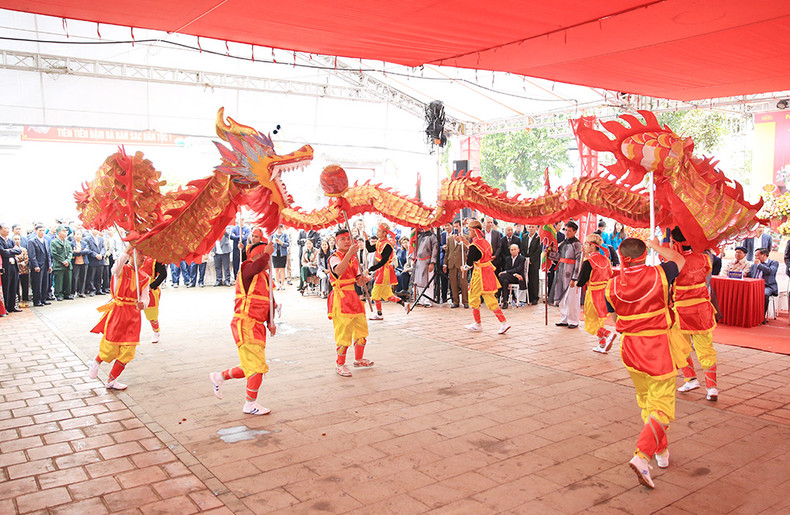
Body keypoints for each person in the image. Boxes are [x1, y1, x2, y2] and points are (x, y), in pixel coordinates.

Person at [605, 237, 688, 489]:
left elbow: (613, 315)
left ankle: (661, 451)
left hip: (630, 348)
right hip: (657, 348)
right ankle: (642, 455)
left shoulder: (612, 285)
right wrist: (657, 247)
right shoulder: (660, 274)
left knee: (647, 402)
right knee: (662, 407)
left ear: (622, 257)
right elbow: (680, 259)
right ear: (644, 254)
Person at [209, 233, 277, 415]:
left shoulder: (267, 278)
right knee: (257, 367)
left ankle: (219, 376)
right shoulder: (247, 269)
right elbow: (257, 265)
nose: (268, 260)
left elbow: (271, 301)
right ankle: (250, 404)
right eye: (264, 255)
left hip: (258, 327)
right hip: (245, 323)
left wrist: (271, 322)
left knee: (249, 365)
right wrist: (266, 254)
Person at [88, 245, 150, 390]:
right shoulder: (121, 270)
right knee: (111, 348)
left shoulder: (145, 277)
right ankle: (96, 362)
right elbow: (114, 269)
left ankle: (111, 380)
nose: (143, 257)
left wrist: (143, 304)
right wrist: (128, 248)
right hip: (118, 312)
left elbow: (145, 297)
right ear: (131, 255)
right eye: (140, 253)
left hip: (134, 316)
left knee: (128, 351)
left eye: (144, 255)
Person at [670, 227, 719, 402]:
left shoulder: (674, 262)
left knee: (678, 345)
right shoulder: (705, 258)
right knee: (705, 349)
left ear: (675, 242)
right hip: (702, 309)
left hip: (683, 311)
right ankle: (712, 388)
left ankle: (690, 378)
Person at [327, 228, 373, 377]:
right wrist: (349, 254)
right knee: (344, 332)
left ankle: (359, 359)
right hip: (340, 299)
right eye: (343, 239)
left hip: (353, 296)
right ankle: (340, 364)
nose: (347, 241)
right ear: (336, 242)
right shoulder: (334, 257)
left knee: (361, 329)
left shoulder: (354, 258)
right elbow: (338, 271)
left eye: (348, 238)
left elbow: (358, 281)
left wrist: (363, 280)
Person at [465, 220, 510, 334]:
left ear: (475, 231)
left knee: (473, 298)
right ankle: (504, 322)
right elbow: (480, 254)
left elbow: (469, 263)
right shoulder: (485, 242)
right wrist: (466, 243)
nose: (469, 232)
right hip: (488, 273)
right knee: (491, 299)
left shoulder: (474, 246)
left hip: (479, 275)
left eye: (470, 230)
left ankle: (478, 324)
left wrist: (463, 268)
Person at [576, 234, 617, 353]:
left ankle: (608, 334)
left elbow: (581, 281)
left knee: (590, 321)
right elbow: (610, 275)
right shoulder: (606, 260)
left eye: (586, 244)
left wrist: (575, 283)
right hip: (604, 293)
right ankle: (602, 344)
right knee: (599, 319)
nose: (584, 246)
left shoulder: (589, 261)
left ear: (592, 246)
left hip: (593, 293)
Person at [365, 222, 409, 319]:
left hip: (384, 271)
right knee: (386, 294)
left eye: (379, 231)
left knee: (376, 293)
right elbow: (370, 249)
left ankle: (379, 314)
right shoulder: (379, 242)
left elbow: (383, 261)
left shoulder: (387, 245)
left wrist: (370, 269)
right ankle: (403, 303)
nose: (377, 232)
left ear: (385, 233)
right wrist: (366, 239)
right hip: (381, 270)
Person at [550, 221, 583, 329]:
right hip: (561, 272)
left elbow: (579, 261)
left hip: (571, 273)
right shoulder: (563, 243)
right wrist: (549, 253)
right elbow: (558, 257)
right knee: (563, 298)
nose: (567, 233)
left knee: (572, 298)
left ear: (575, 231)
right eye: (566, 230)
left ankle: (573, 320)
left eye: (569, 231)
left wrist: (575, 277)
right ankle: (564, 318)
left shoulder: (577, 244)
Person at [746, 248, 779, 323]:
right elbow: (750, 275)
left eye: (757, 256)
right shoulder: (754, 265)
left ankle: (761, 316)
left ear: (764, 255)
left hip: (767, 286)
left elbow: (770, 271)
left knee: (764, 294)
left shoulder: (773, 263)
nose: (756, 258)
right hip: (754, 285)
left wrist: (759, 265)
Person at [140, 256, 167, 343]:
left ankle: (156, 331)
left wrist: (152, 286)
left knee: (151, 312)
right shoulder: (134, 255)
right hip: (135, 287)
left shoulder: (155, 258)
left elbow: (163, 274)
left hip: (149, 288)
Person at [445, 219, 469, 309]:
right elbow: (447, 252)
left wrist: (460, 241)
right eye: (454, 226)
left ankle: (465, 301)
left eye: (457, 227)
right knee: (453, 283)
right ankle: (455, 301)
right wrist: (445, 264)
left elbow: (467, 249)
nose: (455, 228)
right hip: (452, 263)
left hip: (462, 262)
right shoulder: (450, 238)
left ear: (461, 227)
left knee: (463, 282)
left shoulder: (465, 237)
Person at [412, 228, 439, 307]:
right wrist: (413, 258)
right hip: (419, 261)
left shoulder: (432, 236)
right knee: (419, 281)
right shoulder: (419, 236)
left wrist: (432, 262)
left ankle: (428, 300)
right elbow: (415, 248)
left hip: (427, 261)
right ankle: (421, 299)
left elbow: (435, 250)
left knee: (428, 282)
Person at [27, 224, 52, 307]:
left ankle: (43, 299)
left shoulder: (45, 241)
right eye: (39, 230)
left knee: (45, 283)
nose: (41, 232)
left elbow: (48, 254)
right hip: (37, 266)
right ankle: (37, 300)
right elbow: (32, 255)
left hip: (45, 265)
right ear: (35, 231)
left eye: (43, 230)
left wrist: (49, 265)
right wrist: (35, 266)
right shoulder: (32, 241)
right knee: (37, 284)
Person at [0, 223, 22, 313]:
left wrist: (10, 250)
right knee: (6, 287)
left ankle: (12, 306)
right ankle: (5, 307)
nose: (7, 230)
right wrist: (11, 251)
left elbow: (18, 250)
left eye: (8, 228)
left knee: (14, 286)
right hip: (5, 267)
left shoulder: (10, 240)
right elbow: (3, 252)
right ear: (1, 230)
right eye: (5, 228)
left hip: (14, 266)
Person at [497, 244, 526, 309]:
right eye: (511, 250)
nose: (513, 251)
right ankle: (505, 302)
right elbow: (507, 269)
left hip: (518, 278)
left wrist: (508, 273)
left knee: (502, 275)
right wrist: (514, 274)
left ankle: (498, 292)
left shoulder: (522, 258)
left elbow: (519, 269)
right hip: (510, 277)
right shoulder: (508, 259)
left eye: (515, 250)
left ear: (518, 250)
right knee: (504, 281)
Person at [519, 225, 542, 305]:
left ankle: (535, 297)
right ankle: (527, 297)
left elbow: (538, 250)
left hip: (534, 262)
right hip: (525, 261)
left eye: (533, 227)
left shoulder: (539, 237)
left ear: (536, 228)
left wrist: (530, 259)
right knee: (526, 278)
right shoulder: (524, 236)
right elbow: (521, 248)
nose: (531, 228)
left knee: (534, 280)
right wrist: (524, 258)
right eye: (529, 227)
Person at [50, 225, 73, 301]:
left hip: (68, 264)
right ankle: (58, 294)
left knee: (68, 280)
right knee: (59, 281)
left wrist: (68, 261)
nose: (66, 233)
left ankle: (67, 293)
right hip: (59, 265)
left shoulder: (67, 242)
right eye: (64, 231)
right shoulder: (54, 242)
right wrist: (63, 261)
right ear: (59, 233)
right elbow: (54, 253)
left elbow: (70, 252)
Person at [12, 234, 30, 308]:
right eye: (15, 239)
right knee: (16, 286)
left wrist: (22, 262)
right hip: (16, 270)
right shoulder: (12, 249)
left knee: (25, 285)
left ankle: (25, 298)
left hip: (24, 270)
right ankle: (17, 299)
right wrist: (18, 263)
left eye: (18, 239)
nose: (17, 241)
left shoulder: (24, 249)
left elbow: (26, 258)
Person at [71, 230, 90, 297]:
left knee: (83, 277)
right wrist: (82, 252)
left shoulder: (84, 243)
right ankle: (73, 292)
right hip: (75, 263)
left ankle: (81, 292)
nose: (79, 236)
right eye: (77, 234)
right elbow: (72, 252)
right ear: (74, 236)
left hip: (84, 262)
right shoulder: (71, 243)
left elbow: (87, 251)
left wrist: (78, 251)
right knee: (75, 278)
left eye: (80, 234)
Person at [270, 225, 289, 290]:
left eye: (280, 228)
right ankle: (277, 284)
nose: (279, 230)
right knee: (276, 269)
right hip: (275, 253)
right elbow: (269, 244)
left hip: (283, 253)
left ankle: (283, 284)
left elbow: (288, 244)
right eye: (277, 228)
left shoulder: (285, 235)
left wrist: (281, 243)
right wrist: (273, 242)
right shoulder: (272, 235)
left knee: (283, 269)